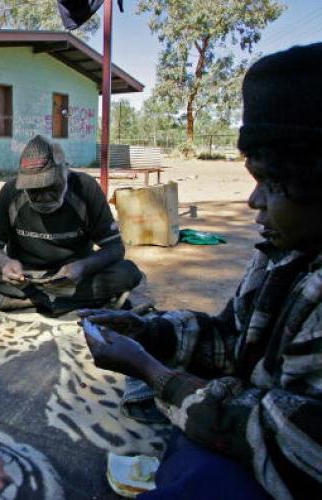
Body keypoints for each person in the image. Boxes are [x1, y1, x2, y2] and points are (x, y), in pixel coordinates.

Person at [80, 44, 322, 499]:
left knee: (200, 479)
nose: (254, 203)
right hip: (252, 415)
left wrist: (154, 372)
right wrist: (148, 333)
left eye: (271, 184)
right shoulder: (285, 253)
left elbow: (296, 443)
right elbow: (233, 337)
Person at [0, 134, 142, 315]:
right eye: (34, 191)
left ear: (65, 172)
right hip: (26, 277)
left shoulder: (85, 188)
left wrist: (82, 266)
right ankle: (58, 302)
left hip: (72, 278)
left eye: (51, 187)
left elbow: (115, 248)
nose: (44, 197)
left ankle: (25, 302)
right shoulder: (10, 192)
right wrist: (5, 264)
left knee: (128, 273)